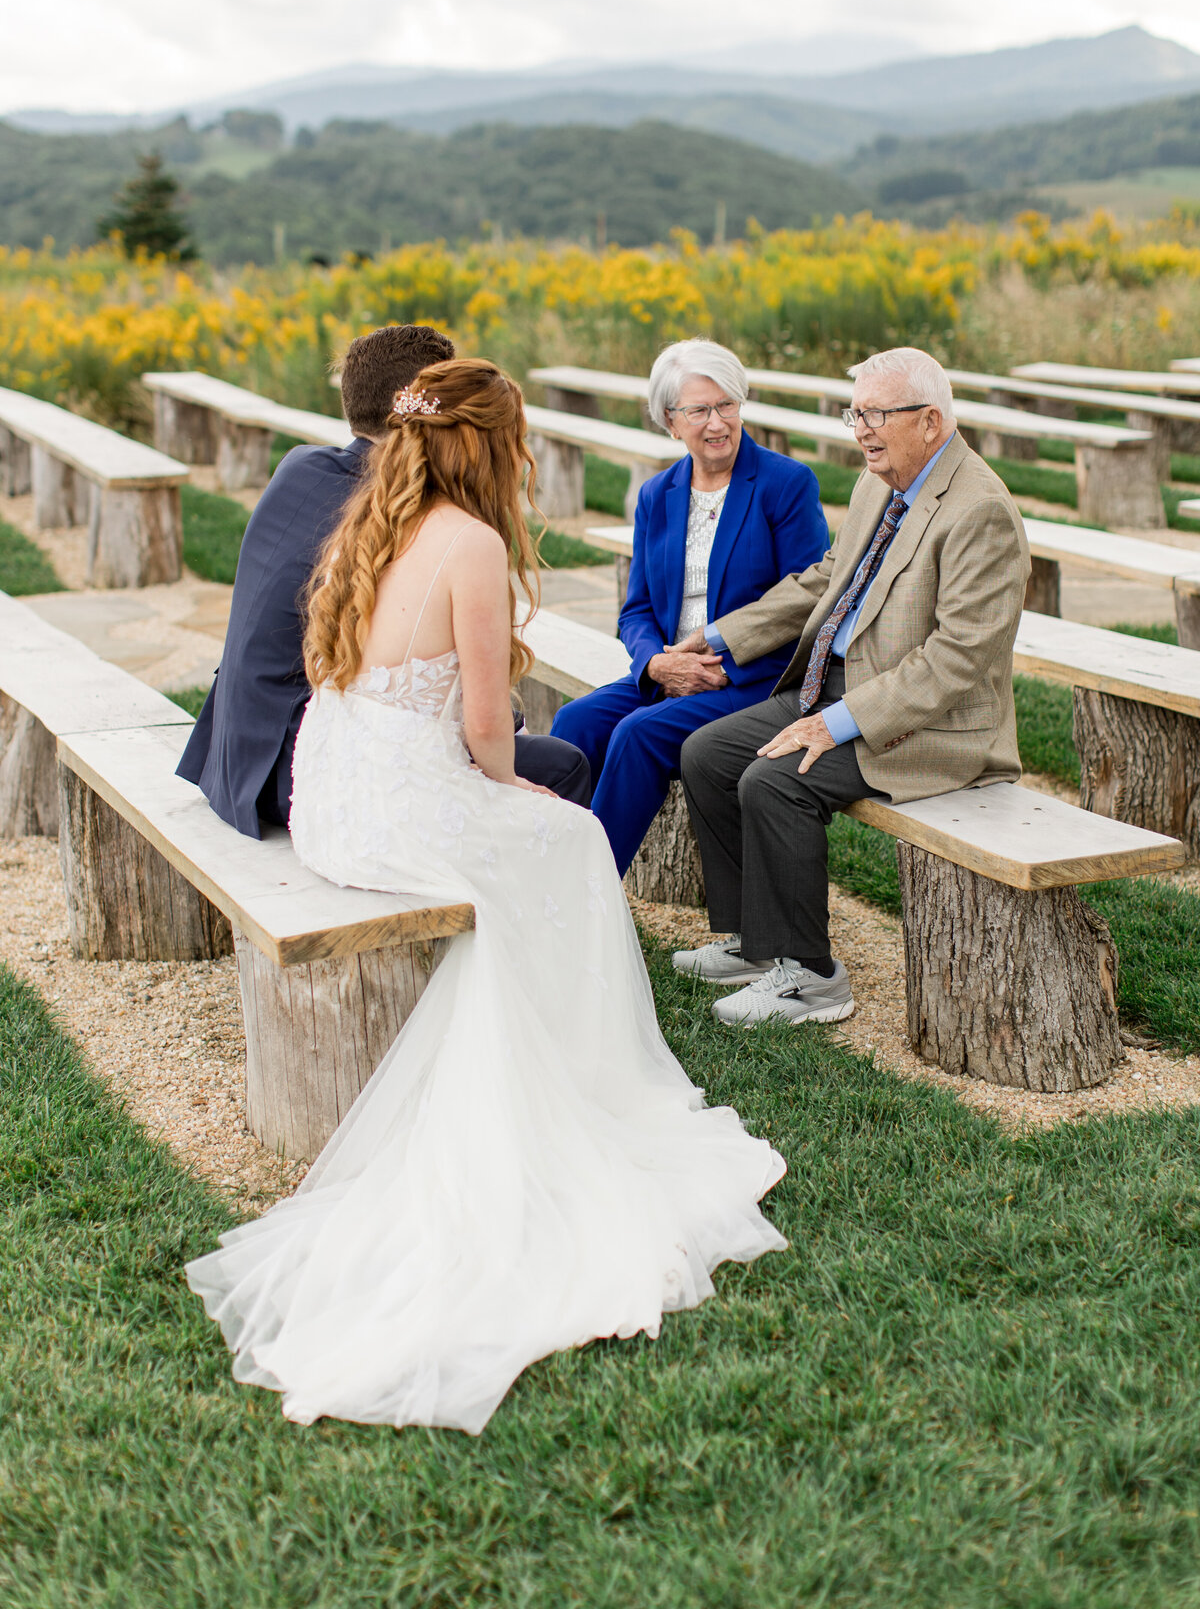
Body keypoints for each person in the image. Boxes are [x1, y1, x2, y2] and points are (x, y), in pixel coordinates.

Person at [185, 358, 786, 1434]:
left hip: (331, 789)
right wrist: (511, 793)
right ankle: (587, 1085)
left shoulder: (374, 513)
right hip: (399, 797)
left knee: (547, 839)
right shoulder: (470, 541)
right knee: (565, 846)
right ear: (492, 447)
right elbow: (481, 736)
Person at [672, 346, 1030, 1027]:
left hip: (935, 727)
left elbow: (956, 661)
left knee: (774, 780)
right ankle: (757, 943)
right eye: (855, 413)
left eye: (876, 414)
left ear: (929, 421)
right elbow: (826, 577)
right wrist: (721, 636)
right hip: (840, 687)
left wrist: (835, 723)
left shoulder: (979, 510)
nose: (861, 429)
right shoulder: (880, 480)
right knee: (707, 754)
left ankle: (812, 978)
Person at [176, 323, 590, 836]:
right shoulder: (392, 510)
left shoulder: (300, 464)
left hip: (230, 750)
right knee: (561, 764)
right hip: (293, 768)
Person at [551, 340, 827, 875]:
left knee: (637, 735)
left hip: (749, 679)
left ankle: (587, 889)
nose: (718, 423)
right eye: (699, 410)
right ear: (670, 422)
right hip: (669, 671)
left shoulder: (786, 484)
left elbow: (807, 602)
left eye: (728, 405)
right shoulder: (658, 494)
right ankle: (541, 861)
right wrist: (657, 665)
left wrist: (720, 664)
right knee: (575, 721)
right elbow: (635, 611)